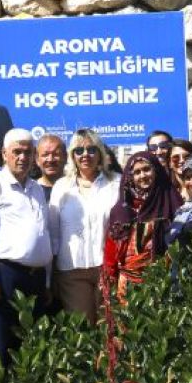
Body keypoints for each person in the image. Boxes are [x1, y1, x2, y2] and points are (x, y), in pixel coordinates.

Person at [0, 128, 52, 364]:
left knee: (33, 345)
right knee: (2, 344)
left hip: (36, 278)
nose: (22, 157)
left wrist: (47, 281)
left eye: (28, 152)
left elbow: (43, 233)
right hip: (6, 276)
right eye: (16, 152)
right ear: (4, 154)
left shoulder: (37, 189)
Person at [48, 129, 120, 324]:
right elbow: (54, 233)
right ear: (72, 156)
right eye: (79, 150)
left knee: (110, 328)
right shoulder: (61, 187)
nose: (85, 155)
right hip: (72, 270)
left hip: (108, 266)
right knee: (82, 330)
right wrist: (52, 273)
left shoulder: (116, 183)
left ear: (100, 153)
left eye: (91, 149)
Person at [104, 151, 182, 301]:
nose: (143, 176)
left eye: (147, 169)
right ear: (130, 177)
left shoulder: (171, 203)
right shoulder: (121, 209)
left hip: (162, 281)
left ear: (156, 171)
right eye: (137, 172)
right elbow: (111, 249)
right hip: (126, 285)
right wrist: (110, 279)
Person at [35, 133, 67, 201]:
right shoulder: (31, 191)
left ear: (65, 157)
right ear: (37, 159)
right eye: (45, 155)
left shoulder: (76, 188)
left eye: (56, 154)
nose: (50, 159)